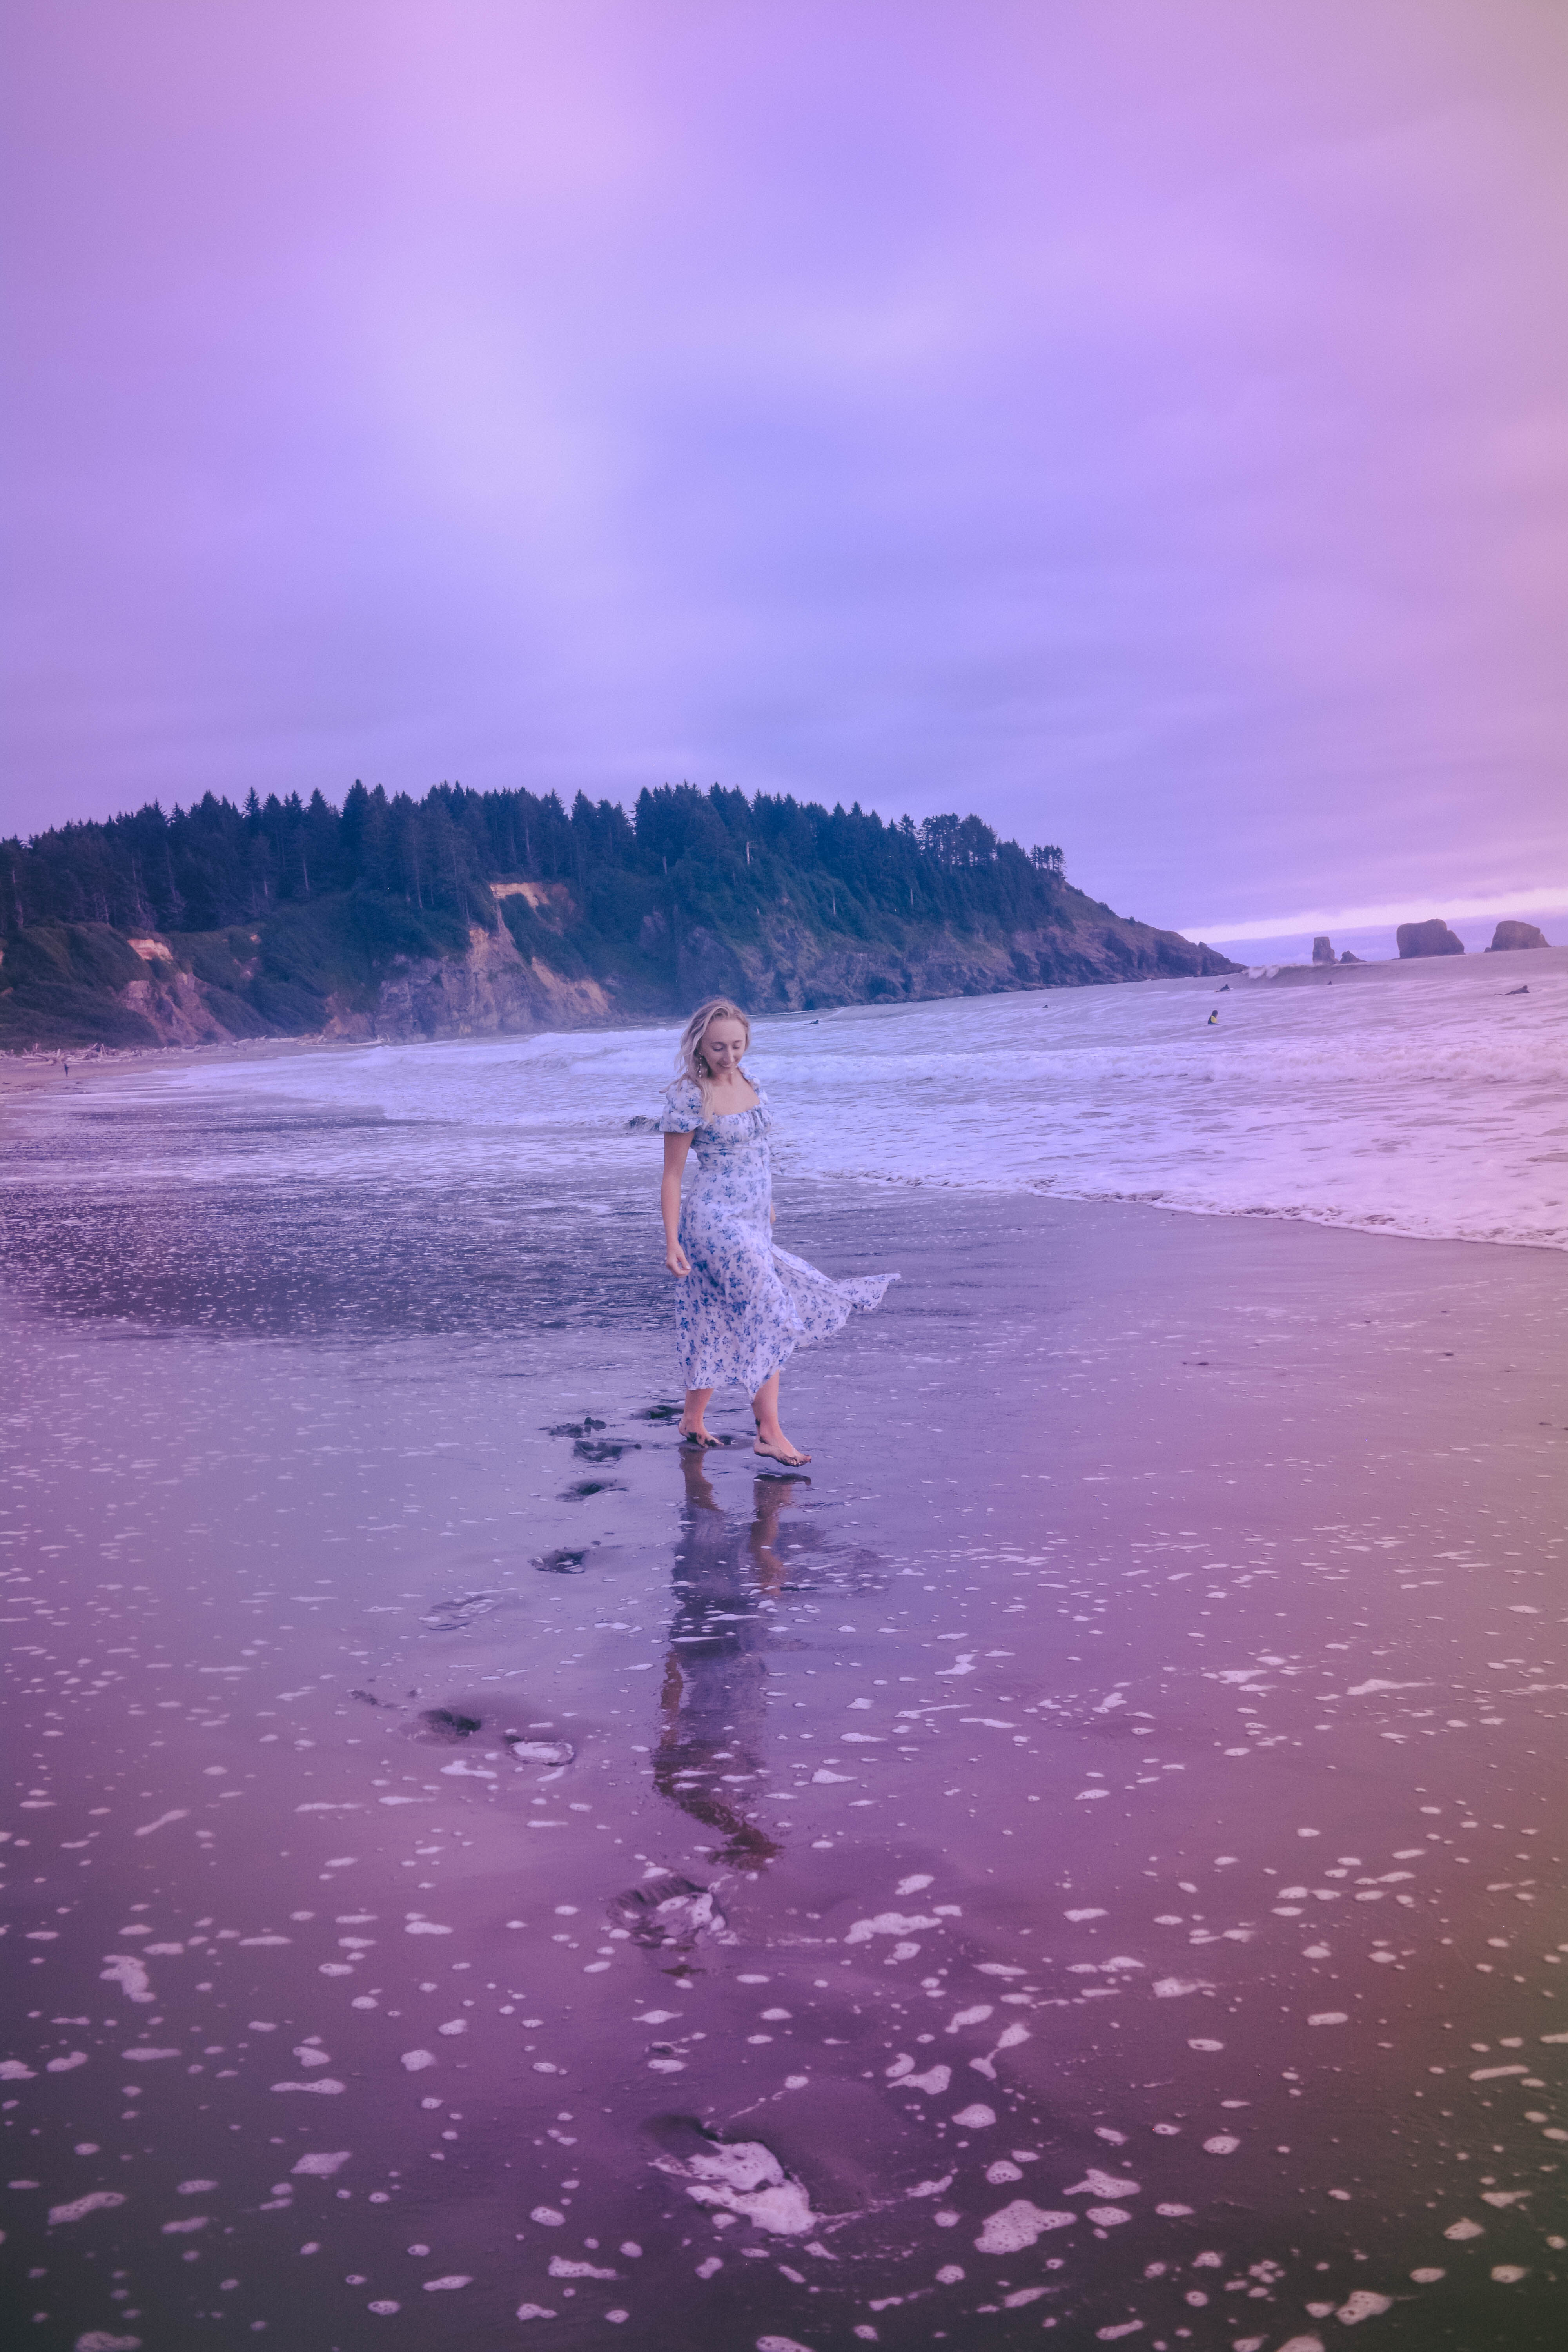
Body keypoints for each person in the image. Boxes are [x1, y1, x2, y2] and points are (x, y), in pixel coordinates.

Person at [657, 997, 895, 1467]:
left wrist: (767, 1206)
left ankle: (691, 1420)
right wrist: (671, 1241)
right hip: (713, 1219)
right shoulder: (689, 1095)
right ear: (699, 1046)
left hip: (752, 1220)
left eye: (737, 1046)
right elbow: (672, 1175)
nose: (729, 1057)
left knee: (712, 1313)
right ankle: (769, 1431)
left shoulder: (752, 1081)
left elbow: (761, 1154)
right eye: (718, 1048)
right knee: (768, 1306)